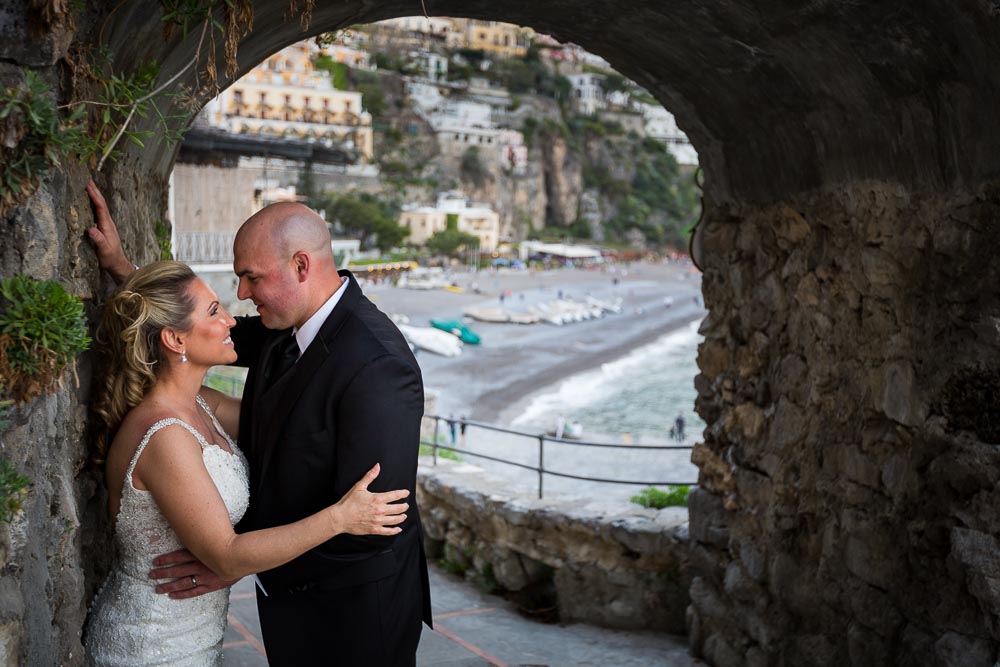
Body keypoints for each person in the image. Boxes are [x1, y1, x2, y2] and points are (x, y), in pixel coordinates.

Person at [87, 182, 432, 665]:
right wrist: (123, 270)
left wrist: (233, 562)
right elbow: (184, 328)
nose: (242, 297)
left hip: (354, 616)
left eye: (251, 278)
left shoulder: (377, 365)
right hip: (284, 610)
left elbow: (372, 522)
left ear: (300, 266)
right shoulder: (283, 324)